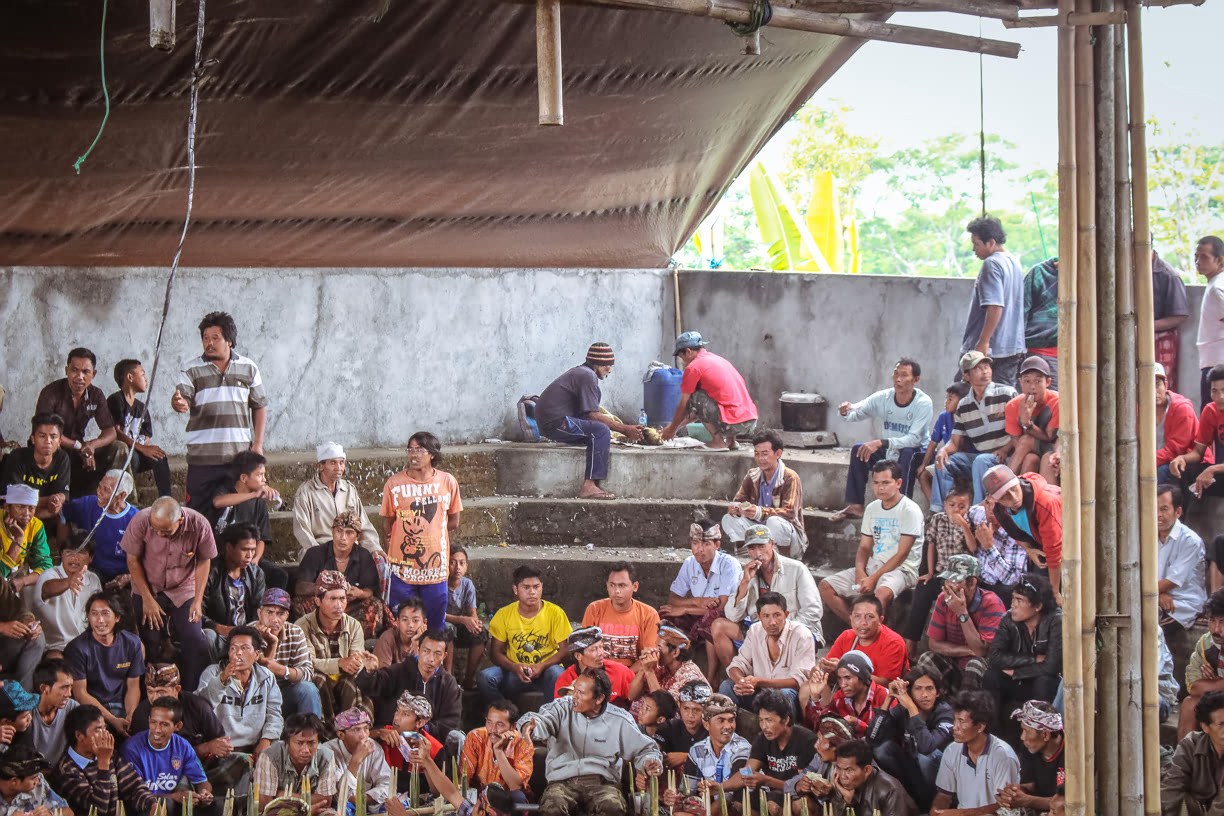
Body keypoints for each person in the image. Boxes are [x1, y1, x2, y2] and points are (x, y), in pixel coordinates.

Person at [519, 669, 664, 816]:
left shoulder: (620, 719)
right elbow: (541, 720)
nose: (574, 697)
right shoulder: (562, 707)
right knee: (552, 808)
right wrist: (529, 727)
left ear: (599, 698)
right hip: (562, 783)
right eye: (574, 691)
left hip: (603, 785)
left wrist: (649, 761)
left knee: (613, 808)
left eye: (581, 693)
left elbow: (646, 749)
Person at [172, 311, 269, 517]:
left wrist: (257, 444)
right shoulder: (191, 369)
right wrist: (179, 403)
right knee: (198, 515)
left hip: (237, 459)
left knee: (237, 516)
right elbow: (183, 399)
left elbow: (259, 405)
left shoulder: (249, 368)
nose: (209, 343)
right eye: (206, 338)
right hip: (202, 461)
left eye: (215, 338)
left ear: (230, 341)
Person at [121, 496, 216, 692]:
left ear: (180, 521)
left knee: (194, 637)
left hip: (183, 586)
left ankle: (191, 690)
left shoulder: (199, 524)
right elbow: (132, 560)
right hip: (148, 584)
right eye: (155, 529)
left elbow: (204, 561)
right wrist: (147, 598)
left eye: (165, 531)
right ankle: (153, 691)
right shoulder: (140, 520)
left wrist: (197, 600)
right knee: (150, 639)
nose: (158, 534)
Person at [534, 343, 644, 499]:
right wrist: (624, 429)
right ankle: (589, 486)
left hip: (554, 421)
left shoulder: (583, 373)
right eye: (608, 365)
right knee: (601, 431)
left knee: (598, 429)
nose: (610, 370)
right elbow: (593, 415)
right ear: (597, 363)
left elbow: (586, 413)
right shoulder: (587, 375)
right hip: (555, 423)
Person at [819, 460, 922, 624]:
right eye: (876, 483)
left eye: (886, 483)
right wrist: (860, 571)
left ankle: (876, 641)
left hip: (902, 570)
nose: (880, 488)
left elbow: (902, 554)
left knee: (881, 595)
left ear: (898, 483)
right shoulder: (872, 508)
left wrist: (873, 578)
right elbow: (865, 547)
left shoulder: (910, 510)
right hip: (874, 565)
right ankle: (859, 629)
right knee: (826, 587)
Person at [379, 431, 462, 631]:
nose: (413, 454)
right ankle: (403, 661)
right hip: (402, 569)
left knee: (435, 624)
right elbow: (388, 523)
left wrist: (430, 534)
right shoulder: (394, 484)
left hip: (435, 570)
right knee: (400, 624)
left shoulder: (447, 482)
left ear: (432, 454)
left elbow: (453, 521)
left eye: (419, 450)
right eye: (410, 449)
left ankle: (432, 662)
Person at [834, 359, 933, 520]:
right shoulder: (884, 397)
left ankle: (902, 507)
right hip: (891, 448)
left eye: (904, 375)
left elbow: (915, 439)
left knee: (908, 453)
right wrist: (845, 411)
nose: (898, 379)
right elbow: (857, 410)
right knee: (859, 450)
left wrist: (881, 442)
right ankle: (856, 505)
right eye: (896, 374)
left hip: (919, 451)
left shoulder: (923, 403)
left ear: (915, 380)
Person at [716, 525, 823, 672]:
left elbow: (813, 611)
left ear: (772, 544)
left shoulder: (796, 569)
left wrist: (783, 631)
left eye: (761, 546)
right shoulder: (747, 574)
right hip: (761, 631)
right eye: (752, 548)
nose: (757, 553)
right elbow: (733, 616)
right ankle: (740, 680)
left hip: (796, 630)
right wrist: (745, 583)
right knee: (718, 626)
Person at [933, 352, 1018, 506]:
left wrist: (1005, 449)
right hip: (984, 458)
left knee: (981, 460)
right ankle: (940, 510)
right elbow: (954, 442)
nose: (985, 371)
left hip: (1009, 457)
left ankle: (979, 510)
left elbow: (1020, 434)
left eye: (986, 366)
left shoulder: (1007, 394)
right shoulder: (963, 406)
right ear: (966, 376)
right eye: (978, 368)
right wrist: (943, 451)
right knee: (944, 461)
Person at [478, 565, 571, 704]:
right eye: (526, 587)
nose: (532, 592)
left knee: (557, 673)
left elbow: (565, 650)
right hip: (515, 673)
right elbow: (495, 654)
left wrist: (542, 666)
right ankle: (504, 716)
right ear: (515, 589)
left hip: (546, 672)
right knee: (486, 677)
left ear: (542, 588)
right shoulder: (504, 614)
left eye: (536, 587)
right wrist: (514, 667)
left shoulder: (555, 613)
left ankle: (547, 721)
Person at [660, 519, 742, 671]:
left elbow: (722, 609)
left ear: (717, 545)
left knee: (711, 618)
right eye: (695, 543)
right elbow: (673, 600)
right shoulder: (689, 563)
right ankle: (673, 672)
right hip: (699, 614)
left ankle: (713, 676)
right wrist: (697, 601)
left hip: (724, 619)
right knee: (666, 619)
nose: (700, 549)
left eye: (706, 544)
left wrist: (686, 609)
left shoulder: (729, 564)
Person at [35, 348, 118, 495]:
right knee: (51, 447)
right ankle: (57, 502)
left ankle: (111, 501)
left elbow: (110, 431)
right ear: (67, 370)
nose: (79, 376)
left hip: (79, 448)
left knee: (119, 447)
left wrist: (92, 446)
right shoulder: (51, 392)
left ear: (94, 374)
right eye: (74, 370)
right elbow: (44, 432)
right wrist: (80, 448)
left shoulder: (96, 395)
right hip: (55, 446)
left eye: (86, 371)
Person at [51, 703, 159, 816]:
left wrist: (152, 804)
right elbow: (98, 810)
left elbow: (133, 788)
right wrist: (103, 763)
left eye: (104, 728)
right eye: (98, 730)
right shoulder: (66, 771)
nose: (105, 735)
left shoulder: (110, 755)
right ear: (79, 736)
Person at [355, 628, 462, 741]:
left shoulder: (449, 684)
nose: (431, 659)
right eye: (426, 651)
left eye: (437, 654)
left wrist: (418, 728)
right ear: (418, 650)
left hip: (429, 742)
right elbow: (370, 687)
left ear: (444, 656)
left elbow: (450, 723)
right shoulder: (400, 671)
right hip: (392, 737)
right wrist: (370, 672)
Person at [869, 669, 954, 812]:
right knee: (882, 749)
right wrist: (889, 698)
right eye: (918, 689)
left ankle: (928, 805)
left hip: (942, 780)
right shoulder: (902, 710)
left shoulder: (945, 712)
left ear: (938, 692)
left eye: (929, 689)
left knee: (925, 757)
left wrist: (912, 708)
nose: (925, 695)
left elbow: (927, 746)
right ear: (910, 693)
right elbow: (873, 738)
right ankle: (906, 796)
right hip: (912, 773)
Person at [196, 626, 283, 760]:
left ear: (256, 654)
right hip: (222, 750)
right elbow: (201, 708)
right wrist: (222, 680)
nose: (238, 653)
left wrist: (266, 739)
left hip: (256, 746)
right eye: (233, 648)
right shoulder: (213, 673)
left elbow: (274, 714)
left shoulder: (266, 677)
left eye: (244, 648)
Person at [661, 332, 758, 451]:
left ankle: (718, 442)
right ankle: (731, 442)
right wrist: (673, 428)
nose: (684, 362)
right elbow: (698, 412)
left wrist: (671, 430)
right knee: (714, 400)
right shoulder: (717, 360)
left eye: (683, 357)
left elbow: (684, 406)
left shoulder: (693, 367)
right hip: (750, 421)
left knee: (694, 397)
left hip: (734, 423)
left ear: (688, 351)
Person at [959, 216, 1026, 388]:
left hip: (990, 350)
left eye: (976, 244)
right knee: (1003, 401)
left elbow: (995, 306)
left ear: (991, 242)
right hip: (1012, 347)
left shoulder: (992, 264)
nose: (974, 249)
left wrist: (983, 342)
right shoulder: (1014, 262)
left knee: (963, 396)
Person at [64, 592, 142, 735]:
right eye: (94, 614)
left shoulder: (132, 643)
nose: (100, 620)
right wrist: (112, 720)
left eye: (105, 613)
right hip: (92, 711)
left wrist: (130, 716)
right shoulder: (77, 648)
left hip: (122, 706)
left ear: (117, 617)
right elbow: (81, 694)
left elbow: (133, 686)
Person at [930, 690, 1019, 816]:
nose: (954, 727)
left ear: (980, 727)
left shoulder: (1003, 756)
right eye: (955, 720)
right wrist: (937, 811)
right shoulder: (952, 750)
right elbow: (944, 795)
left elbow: (1003, 805)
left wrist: (961, 813)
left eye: (961, 721)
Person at [923, 555, 1006, 689]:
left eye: (955, 580)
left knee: (975, 664)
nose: (949, 585)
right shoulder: (942, 599)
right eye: (947, 579)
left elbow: (980, 651)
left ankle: (967, 709)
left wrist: (962, 613)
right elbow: (934, 644)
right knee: (926, 659)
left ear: (972, 583)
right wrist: (967, 650)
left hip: (982, 666)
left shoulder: (992, 603)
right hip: (954, 661)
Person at [295, 511, 383, 637]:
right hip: (322, 606)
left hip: (351, 606)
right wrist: (328, 590)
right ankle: (311, 637)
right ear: (332, 531)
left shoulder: (364, 556)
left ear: (357, 536)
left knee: (375, 605)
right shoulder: (315, 553)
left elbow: (370, 589)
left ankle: (363, 641)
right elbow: (300, 587)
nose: (343, 537)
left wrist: (360, 593)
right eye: (339, 531)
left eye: (349, 532)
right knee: (300, 602)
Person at [907, 482, 973, 651]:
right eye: (951, 505)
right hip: (940, 574)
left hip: (961, 580)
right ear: (945, 505)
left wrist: (964, 526)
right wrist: (929, 572)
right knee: (922, 591)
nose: (956, 510)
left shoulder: (970, 523)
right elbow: (931, 545)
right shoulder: (938, 519)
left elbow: (973, 548)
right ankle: (910, 644)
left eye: (962, 506)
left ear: (969, 507)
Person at [722, 431, 809, 557]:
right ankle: (746, 555)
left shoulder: (790, 477)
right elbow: (739, 500)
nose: (760, 458)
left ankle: (783, 560)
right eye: (757, 454)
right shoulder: (752, 475)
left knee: (774, 522)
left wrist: (760, 512)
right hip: (758, 535)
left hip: (791, 540)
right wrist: (735, 508)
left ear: (778, 453)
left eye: (765, 454)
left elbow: (790, 512)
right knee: (729, 519)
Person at [294, 571, 368, 717]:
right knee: (317, 678)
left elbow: (356, 659)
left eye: (342, 599)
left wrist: (358, 663)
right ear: (318, 601)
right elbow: (307, 663)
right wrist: (340, 663)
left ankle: (350, 727)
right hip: (320, 685)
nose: (339, 605)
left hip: (342, 684)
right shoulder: (302, 626)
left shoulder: (354, 625)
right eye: (332, 599)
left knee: (354, 679)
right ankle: (324, 729)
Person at [724, 592, 814, 711]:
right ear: (759, 617)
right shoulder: (755, 631)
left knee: (785, 694)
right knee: (727, 686)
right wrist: (741, 682)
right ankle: (733, 726)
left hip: (788, 699)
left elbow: (798, 682)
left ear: (786, 614)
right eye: (766, 616)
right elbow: (738, 664)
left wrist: (760, 682)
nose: (772, 622)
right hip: (759, 694)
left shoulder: (801, 635)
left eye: (777, 615)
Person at [120, 696, 214, 806]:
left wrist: (204, 793)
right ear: (149, 720)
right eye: (153, 722)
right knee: (168, 804)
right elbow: (134, 796)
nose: (157, 730)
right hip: (143, 807)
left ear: (178, 726)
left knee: (214, 805)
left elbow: (202, 782)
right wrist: (174, 797)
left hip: (173, 804)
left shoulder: (183, 746)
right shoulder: (131, 748)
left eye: (164, 724)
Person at [984, 574, 1062, 705]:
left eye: (1019, 600)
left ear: (1037, 606)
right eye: (1013, 598)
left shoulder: (1056, 620)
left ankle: (1039, 723)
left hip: (1044, 680)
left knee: (1044, 681)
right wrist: (1032, 658)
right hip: (1020, 679)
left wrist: (1017, 673)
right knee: (991, 676)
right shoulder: (1008, 619)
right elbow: (995, 656)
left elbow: (1052, 666)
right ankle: (993, 725)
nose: (1013, 605)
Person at [130, 664, 230, 762]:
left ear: (177, 690)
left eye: (161, 692)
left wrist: (220, 747)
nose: (155, 698)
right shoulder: (141, 715)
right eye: (150, 692)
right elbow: (162, 759)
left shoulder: (198, 706)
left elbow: (219, 740)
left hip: (202, 764)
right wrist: (205, 748)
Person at [1157, 483, 1206, 681]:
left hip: (1182, 603)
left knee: (1152, 629)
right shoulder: (1147, 534)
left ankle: (1161, 686)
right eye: (1153, 508)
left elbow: (1171, 582)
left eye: (1163, 509)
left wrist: (1155, 591)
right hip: (1157, 597)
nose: (1157, 515)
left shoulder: (1190, 541)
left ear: (1178, 512)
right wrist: (1157, 593)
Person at [292, 442, 380, 553]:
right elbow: (302, 529)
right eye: (333, 463)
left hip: (349, 549)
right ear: (320, 466)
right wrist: (319, 553)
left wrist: (374, 548)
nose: (339, 468)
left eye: (341, 463)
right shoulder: (306, 491)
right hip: (319, 548)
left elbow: (364, 524)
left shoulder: (349, 489)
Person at [248, 588, 321, 717]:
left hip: (285, 693)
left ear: (287, 616)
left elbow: (308, 673)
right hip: (254, 696)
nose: (275, 619)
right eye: (269, 612)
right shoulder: (248, 633)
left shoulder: (295, 632)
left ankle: (311, 733)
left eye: (280, 614)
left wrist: (280, 670)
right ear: (259, 613)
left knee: (308, 689)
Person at [107, 359, 172, 500]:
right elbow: (115, 432)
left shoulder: (141, 407)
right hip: (121, 454)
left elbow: (146, 435)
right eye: (142, 374)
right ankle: (127, 499)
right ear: (130, 377)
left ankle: (166, 499)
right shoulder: (115, 400)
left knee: (159, 456)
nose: (146, 379)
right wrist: (141, 448)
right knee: (133, 457)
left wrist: (145, 448)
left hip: (137, 450)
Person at [58, 470, 136, 586]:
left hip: (123, 577)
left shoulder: (135, 519)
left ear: (121, 496)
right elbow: (62, 513)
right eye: (99, 486)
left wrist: (130, 577)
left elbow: (146, 559)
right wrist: (64, 551)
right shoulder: (87, 504)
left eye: (106, 490)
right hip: (92, 572)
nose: (99, 492)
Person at [251, 713, 338, 815]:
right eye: (299, 743)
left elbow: (325, 802)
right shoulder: (270, 756)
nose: (305, 750)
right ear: (287, 742)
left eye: (311, 743)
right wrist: (303, 810)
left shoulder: (326, 756)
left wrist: (280, 795)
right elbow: (265, 804)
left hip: (314, 811)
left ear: (318, 741)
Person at [745, 689, 818, 810]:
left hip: (798, 794)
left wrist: (766, 781)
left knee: (799, 805)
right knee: (740, 799)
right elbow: (747, 770)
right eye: (761, 720)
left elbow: (801, 785)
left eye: (769, 720)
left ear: (786, 720)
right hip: (775, 793)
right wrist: (721, 787)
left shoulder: (806, 740)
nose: (764, 727)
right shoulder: (762, 738)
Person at [202, 523, 267, 659]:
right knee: (208, 636)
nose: (250, 555)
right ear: (229, 547)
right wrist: (219, 628)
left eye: (253, 550)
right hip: (220, 634)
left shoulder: (256, 574)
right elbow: (199, 611)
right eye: (245, 549)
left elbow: (259, 608)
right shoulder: (211, 572)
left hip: (248, 633)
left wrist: (249, 631)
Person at [582, 562, 660, 667]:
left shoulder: (649, 614)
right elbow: (585, 651)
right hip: (599, 670)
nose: (616, 591)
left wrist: (625, 676)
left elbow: (649, 657)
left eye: (622, 585)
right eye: (612, 585)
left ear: (635, 586)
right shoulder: (594, 609)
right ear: (607, 586)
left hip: (632, 674)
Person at [34, 536, 102, 657]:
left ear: (91, 558)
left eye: (80, 553)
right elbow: (46, 589)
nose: (74, 558)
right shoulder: (49, 574)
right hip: (56, 646)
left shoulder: (93, 579)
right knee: (56, 662)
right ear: (61, 555)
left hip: (85, 644)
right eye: (68, 552)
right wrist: (68, 582)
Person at [822, 594, 909, 685]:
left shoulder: (893, 643)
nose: (863, 622)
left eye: (869, 617)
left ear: (880, 620)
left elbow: (887, 684)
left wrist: (845, 669)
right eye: (857, 616)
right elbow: (829, 667)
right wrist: (822, 669)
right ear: (851, 618)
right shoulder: (846, 636)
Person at [996, 701, 1064, 815]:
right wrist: (1016, 792)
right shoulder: (1029, 748)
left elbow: (1068, 803)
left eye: (1026, 732)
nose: (1022, 737)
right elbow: (1031, 785)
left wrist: (1027, 801)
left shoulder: (1074, 755)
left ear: (1045, 735)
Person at [1164, 689, 1224, 816]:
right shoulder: (1191, 744)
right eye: (1222, 724)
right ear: (1205, 727)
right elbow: (1172, 786)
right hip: (1199, 806)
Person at [0, 414, 70, 522]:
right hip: (17, 512)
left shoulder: (62, 459)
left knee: (60, 512)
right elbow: (15, 499)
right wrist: (48, 501)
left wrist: (57, 500)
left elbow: (63, 492)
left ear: (60, 441)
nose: (48, 441)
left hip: (42, 511)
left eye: (53, 437)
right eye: (42, 436)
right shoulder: (17, 457)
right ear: (33, 439)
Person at [459, 699, 534, 800]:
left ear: (513, 726)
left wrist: (498, 751)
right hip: (479, 797)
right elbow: (464, 778)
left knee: (518, 797)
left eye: (499, 724)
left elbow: (515, 786)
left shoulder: (523, 743)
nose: (493, 730)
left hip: (508, 800)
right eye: (489, 723)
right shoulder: (475, 737)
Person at [678, 693, 751, 794]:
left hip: (743, 804)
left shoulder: (742, 748)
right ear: (707, 725)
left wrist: (708, 810)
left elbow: (732, 795)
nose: (728, 726)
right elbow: (687, 791)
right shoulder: (697, 750)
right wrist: (676, 799)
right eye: (721, 721)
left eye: (731, 720)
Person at [627, 624, 705, 719]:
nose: (655, 651)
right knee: (642, 700)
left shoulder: (690, 675)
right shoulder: (661, 664)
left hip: (680, 724)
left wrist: (649, 672)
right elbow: (632, 696)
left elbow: (665, 707)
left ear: (675, 652)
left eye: (659, 647)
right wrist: (644, 668)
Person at [802, 652, 887, 738]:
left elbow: (889, 738)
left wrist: (860, 726)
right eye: (839, 678)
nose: (842, 684)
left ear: (863, 678)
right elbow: (817, 728)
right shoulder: (839, 698)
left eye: (848, 678)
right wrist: (815, 698)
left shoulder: (884, 696)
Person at [1172, 363, 1224, 500]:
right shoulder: (1210, 411)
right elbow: (1198, 452)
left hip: (1218, 469)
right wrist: (1181, 458)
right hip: (1220, 471)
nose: (1220, 397)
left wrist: (1212, 469)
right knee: (1183, 471)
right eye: (1215, 391)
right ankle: (1180, 518)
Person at [1003, 356, 1059, 481]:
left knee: (1029, 441)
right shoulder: (1013, 405)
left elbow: (1049, 437)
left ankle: (1005, 482)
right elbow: (1016, 440)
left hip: (1052, 447)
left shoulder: (1056, 402)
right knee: (1030, 459)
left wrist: (1027, 424)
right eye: (1027, 381)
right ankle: (1018, 494)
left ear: (1048, 382)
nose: (1032, 387)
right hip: (1028, 451)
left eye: (1038, 381)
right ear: (1020, 382)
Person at [827, 739, 917, 816]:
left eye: (849, 770)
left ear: (866, 770)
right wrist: (845, 800)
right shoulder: (842, 782)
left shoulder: (890, 791)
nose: (842, 776)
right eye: (838, 768)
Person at [1178, 589, 1224, 741]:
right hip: (1219, 701)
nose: (1216, 629)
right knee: (1189, 704)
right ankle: (1183, 763)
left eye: (1223, 622)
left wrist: (1213, 683)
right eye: (1212, 621)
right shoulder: (1206, 643)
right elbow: (1194, 686)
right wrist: (1220, 684)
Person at [325, 707, 391, 809]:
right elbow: (340, 797)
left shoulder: (374, 747)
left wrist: (363, 799)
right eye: (356, 730)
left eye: (366, 728)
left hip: (369, 807)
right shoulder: (327, 753)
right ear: (341, 735)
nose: (363, 735)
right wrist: (356, 760)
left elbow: (387, 784)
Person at [919, 383, 973, 503]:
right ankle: (937, 509)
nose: (946, 402)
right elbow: (933, 442)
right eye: (946, 398)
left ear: (962, 402)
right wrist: (923, 464)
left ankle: (949, 507)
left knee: (949, 469)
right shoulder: (943, 416)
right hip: (945, 459)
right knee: (923, 475)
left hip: (962, 462)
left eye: (950, 399)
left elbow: (960, 447)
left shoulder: (968, 417)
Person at [788, 717, 857, 810]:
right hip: (827, 809)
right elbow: (789, 785)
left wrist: (831, 794)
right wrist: (799, 785)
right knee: (800, 804)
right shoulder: (819, 758)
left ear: (836, 747)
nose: (815, 745)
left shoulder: (855, 767)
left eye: (820, 741)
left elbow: (854, 807)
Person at [1157, 362, 1208, 485]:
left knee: (1160, 472)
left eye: (1157, 385)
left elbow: (1175, 450)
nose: (1153, 391)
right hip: (1158, 460)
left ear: (1166, 385)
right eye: (1145, 385)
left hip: (1187, 461)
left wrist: (1144, 463)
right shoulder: (1137, 410)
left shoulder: (1181, 408)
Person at [554, 627, 635, 704]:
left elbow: (636, 703)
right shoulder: (565, 680)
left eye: (601, 647)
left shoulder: (621, 672)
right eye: (594, 649)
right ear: (578, 656)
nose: (601, 653)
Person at [443, 547, 486, 689]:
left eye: (462, 563)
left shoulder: (467, 584)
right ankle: (449, 677)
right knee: (447, 630)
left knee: (480, 633)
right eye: (452, 563)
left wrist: (474, 622)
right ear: (445, 563)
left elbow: (471, 611)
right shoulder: (440, 583)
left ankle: (469, 678)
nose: (457, 568)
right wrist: (463, 620)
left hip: (460, 627)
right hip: (442, 624)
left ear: (467, 566)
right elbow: (437, 614)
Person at [373, 692, 444, 773]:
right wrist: (377, 733)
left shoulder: (435, 749)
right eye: (397, 710)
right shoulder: (385, 734)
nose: (396, 717)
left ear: (419, 723)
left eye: (405, 714)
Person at [0, 483, 51, 590]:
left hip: (17, 576)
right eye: (21, 507)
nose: (27, 513)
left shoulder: (36, 526)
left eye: (31, 508)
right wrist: (18, 538)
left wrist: (23, 581)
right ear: (7, 507)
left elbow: (45, 566)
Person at [1153, 250, 1191, 393]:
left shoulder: (1167, 274)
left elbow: (1180, 315)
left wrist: (1146, 327)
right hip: (1135, 335)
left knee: (1160, 387)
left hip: (1160, 339)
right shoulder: (1126, 269)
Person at [30, 660, 79, 765]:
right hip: (30, 774)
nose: (69, 694)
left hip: (60, 773)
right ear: (44, 688)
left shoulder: (72, 708)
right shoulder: (25, 712)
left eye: (70, 687)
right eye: (64, 687)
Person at [0, 744, 71, 816]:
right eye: (33, 778)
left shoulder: (39, 785)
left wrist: (51, 814)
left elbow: (69, 812)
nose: (37, 781)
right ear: (14, 781)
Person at [656, 680, 711, 771]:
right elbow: (653, 748)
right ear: (679, 706)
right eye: (686, 708)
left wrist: (686, 757)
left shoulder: (714, 730)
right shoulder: (669, 727)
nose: (690, 715)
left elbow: (720, 754)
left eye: (697, 710)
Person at [1022, 257, 1059, 390]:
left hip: (1077, 354)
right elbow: (1021, 311)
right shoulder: (1038, 273)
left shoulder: (1087, 274)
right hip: (1039, 350)